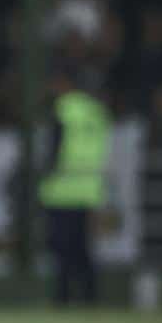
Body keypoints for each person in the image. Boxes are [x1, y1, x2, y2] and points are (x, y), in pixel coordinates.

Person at [39, 68, 112, 305]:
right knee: (82, 248)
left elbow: (54, 150)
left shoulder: (63, 110)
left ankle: (63, 298)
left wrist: (44, 177)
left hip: (61, 189)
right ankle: (90, 297)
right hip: (89, 188)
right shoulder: (98, 112)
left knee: (61, 249)